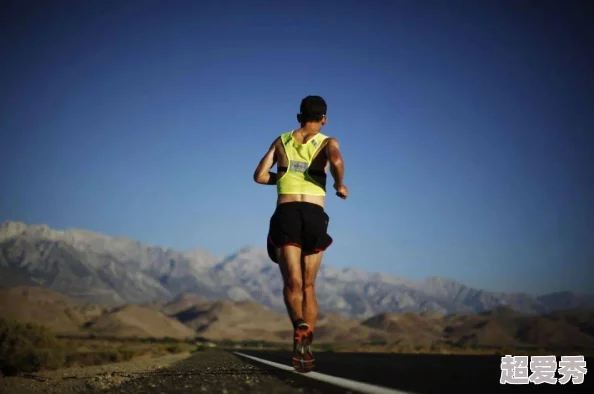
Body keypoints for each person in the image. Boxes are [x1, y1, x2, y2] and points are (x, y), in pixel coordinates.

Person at [252, 95, 348, 372]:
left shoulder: (281, 141)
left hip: (286, 212)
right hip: (314, 214)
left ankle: (298, 324)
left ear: (298, 117)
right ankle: (308, 345)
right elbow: (338, 161)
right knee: (308, 286)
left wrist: (282, 178)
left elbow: (259, 175)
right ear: (324, 119)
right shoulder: (329, 142)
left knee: (292, 283)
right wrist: (339, 185)